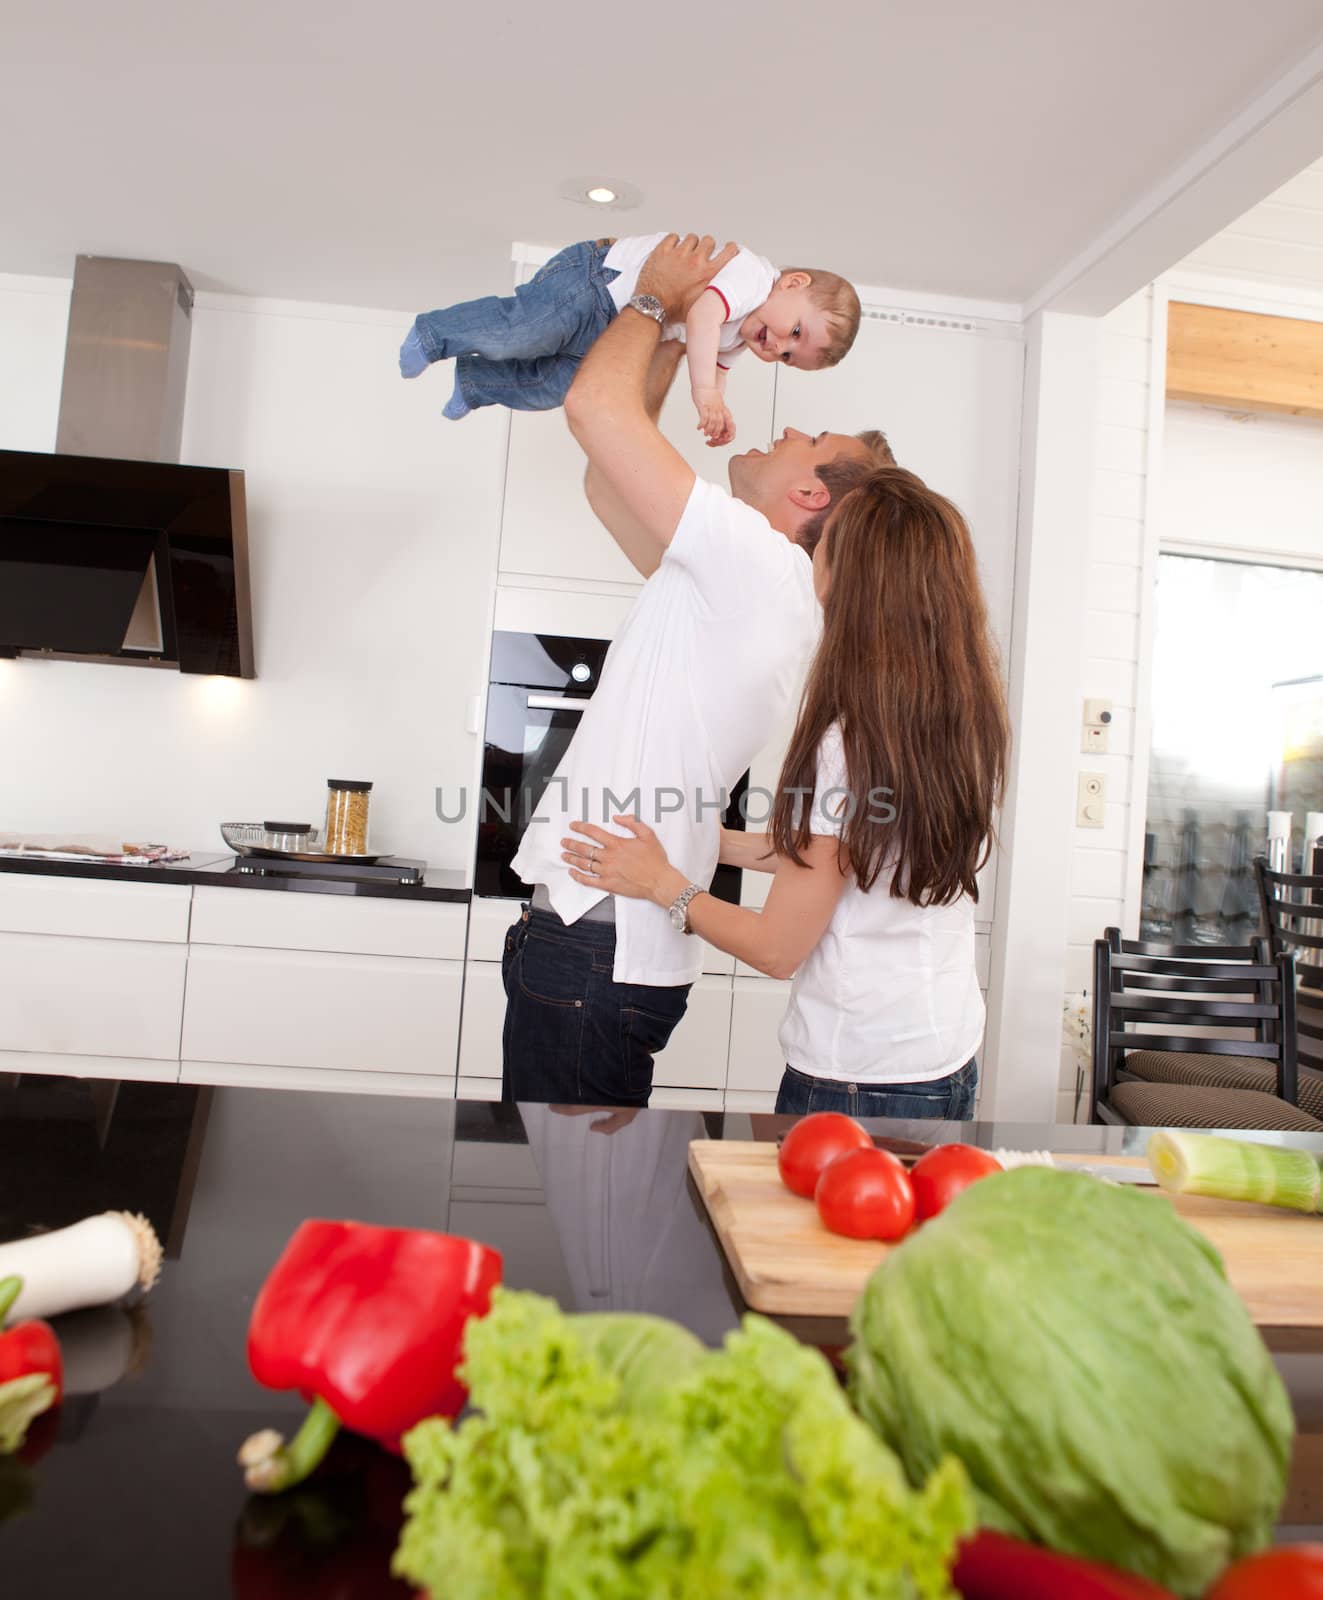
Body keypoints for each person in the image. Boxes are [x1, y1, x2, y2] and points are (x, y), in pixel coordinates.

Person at [500, 233, 893, 1107]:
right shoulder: (746, 584)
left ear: (811, 496)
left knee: (569, 1217)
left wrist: (652, 299)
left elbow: (596, 415)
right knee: (578, 1208)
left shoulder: (753, 562)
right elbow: (607, 475)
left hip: (596, 947)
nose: (787, 425)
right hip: (599, 945)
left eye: (810, 434)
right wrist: (680, 332)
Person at [560, 463, 1010, 1121]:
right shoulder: (958, 715)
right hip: (941, 1048)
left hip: (859, 1075)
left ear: (852, 582)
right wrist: (716, 845)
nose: (810, 553)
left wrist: (661, 883)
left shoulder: (848, 741)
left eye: (822, 545)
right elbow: (856, 855)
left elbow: (777, 949)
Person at [399, 231, 860, 444]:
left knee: (555, 389)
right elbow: (701, 318)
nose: (778, 347)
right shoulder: (753, 278)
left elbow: (718, 367)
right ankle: (434, 332)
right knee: (523, 333)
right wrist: (703, 395)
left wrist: (718, 408)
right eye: (795, 332)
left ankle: (476, 382)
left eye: (787, 357)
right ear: (793, 283)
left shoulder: (743, 336)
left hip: (618, 327)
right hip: (598, 281)